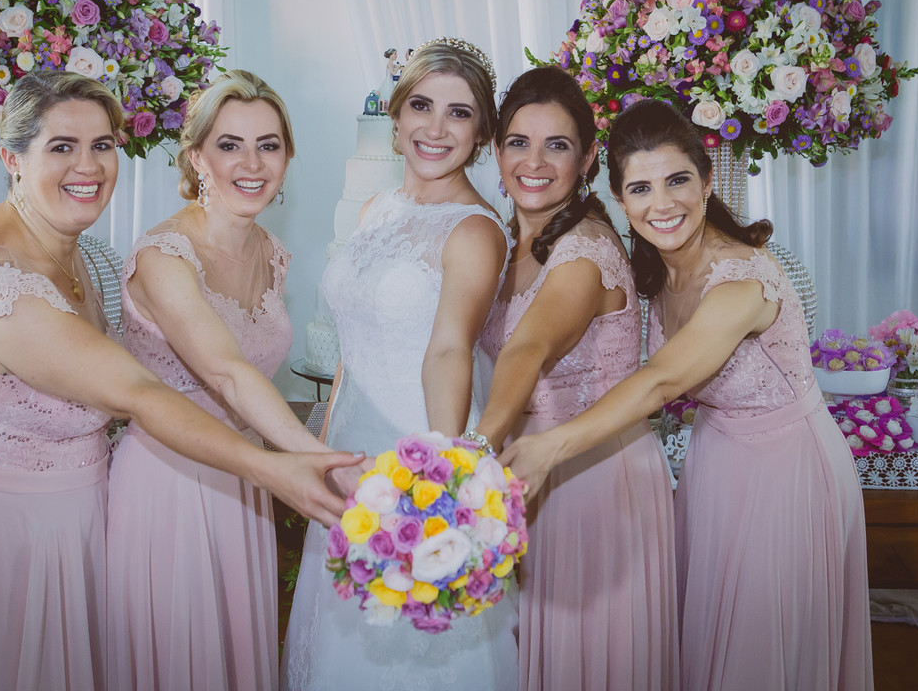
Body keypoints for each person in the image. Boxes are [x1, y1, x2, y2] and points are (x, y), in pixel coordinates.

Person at [0, 71, 361, 691]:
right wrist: (273, 468)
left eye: (103, 145)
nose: (89, 165)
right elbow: (142, 392)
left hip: (79, 527)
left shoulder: (78, 252)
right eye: (61, 146)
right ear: (10, 158)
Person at [500, 98, 874, 691]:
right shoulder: (658, 270)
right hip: (714, 462)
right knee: (703, 645)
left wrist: (552, 448)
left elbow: (663, 379)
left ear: (706, 179)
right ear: (620, 201)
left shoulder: (740, 279)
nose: (662, 203)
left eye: (677, 180)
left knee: (758, 653)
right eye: (640, 188)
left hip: (788, 472)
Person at [281, 38, 518, 691]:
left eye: (460, 112)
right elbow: (351, 352)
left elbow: (448, 350)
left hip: (417, 457)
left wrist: (440, 481)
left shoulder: (475, 230)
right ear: (396, 115)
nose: (436, 127)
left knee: (412, 641)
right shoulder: (374, 210)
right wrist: (323, 452)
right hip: (349, 454)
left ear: (482, 132)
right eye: (421, 105)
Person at [105, 70, 344, 690]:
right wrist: (320, 460)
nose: (252, 162)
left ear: (288, 158)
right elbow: (225, 369)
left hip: (245, 485)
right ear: (196, 158)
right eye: (229, 144)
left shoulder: (272, 251)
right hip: (170, 483)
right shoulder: (163, 255)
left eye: (269, 145)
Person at [473, 67, 678, 691]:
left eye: (556, 145)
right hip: (534, 474)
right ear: (497, 148)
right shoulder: (510, 241)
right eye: (518, 142)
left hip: (593, 485)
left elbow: (527, 348)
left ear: (588, 157)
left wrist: (473, 453)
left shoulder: (584, 250)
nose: (533, 162)